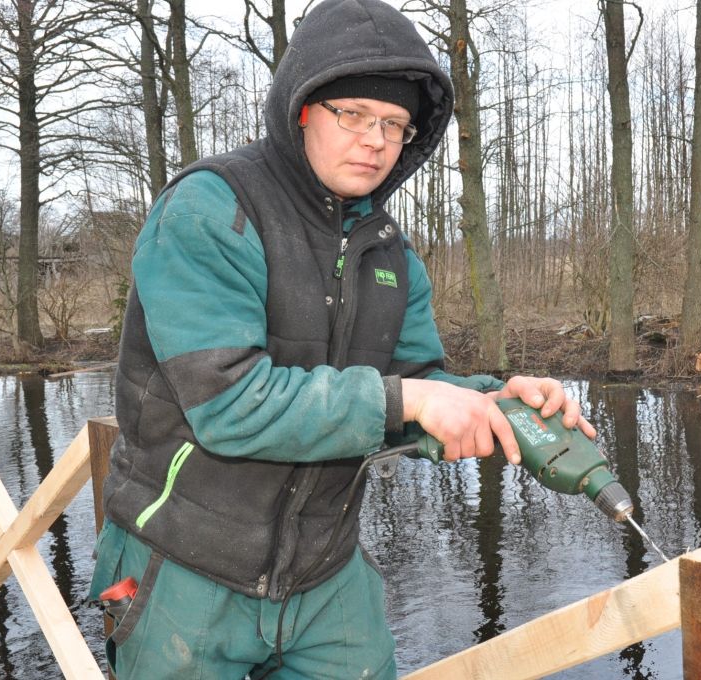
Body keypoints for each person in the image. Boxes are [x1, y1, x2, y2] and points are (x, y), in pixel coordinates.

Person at [89, 0, 595, 677]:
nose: (376, 140)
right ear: (301, 111)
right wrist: (411, 400)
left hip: (325, 572)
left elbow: (411, 382)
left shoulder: (388, 252)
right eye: (352, 115)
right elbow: (230, 404)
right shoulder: (211, 211)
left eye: (394, 124)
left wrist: (493, 400)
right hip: (179, 565)